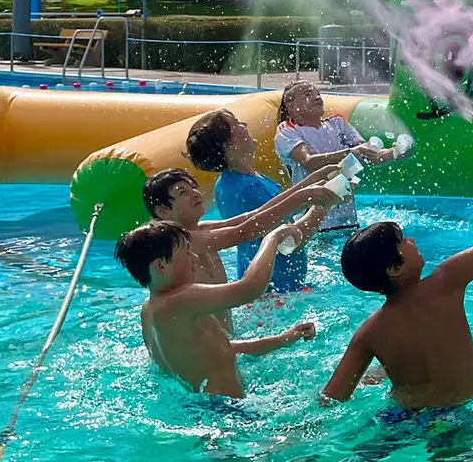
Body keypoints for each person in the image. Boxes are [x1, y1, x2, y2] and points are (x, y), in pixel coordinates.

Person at [320, 133, 473, 415]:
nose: (411, 240)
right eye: (402, 240)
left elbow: (331, 399)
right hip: (456, 417)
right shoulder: (446, 281)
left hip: (399, 419)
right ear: (395, 268)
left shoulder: (369, 333)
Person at [114, 219, 321, 398]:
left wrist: (283, 339)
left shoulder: (150, 310)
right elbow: (250, 288)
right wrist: (272, 239)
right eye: (187, 253)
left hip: (201, 408)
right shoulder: (181, 299)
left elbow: (218, 350)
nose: (195, 259)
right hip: (229, 411)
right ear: (160, 266)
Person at [141, 166, 337, 330]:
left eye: (194, 187)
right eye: (184, 192)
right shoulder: (183, 243)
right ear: (163, 211)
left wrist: (313, 182)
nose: (195, 194)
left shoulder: (201, 229)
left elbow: (256, 214)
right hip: (203, 355)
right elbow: (246, 231)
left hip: (224, 343)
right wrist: (304, 197)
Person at [187, 108, 327, 293]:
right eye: (236, 123)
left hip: (267, 285)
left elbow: (282, 205)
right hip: (278, 291)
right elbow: (291, 241)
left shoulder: (231, 181)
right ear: (229, 144)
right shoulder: (248, 188)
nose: (244, 124)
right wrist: (324, 204)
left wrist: (317, 179)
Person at [274, 81, 395, 228]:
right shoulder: (288, 130)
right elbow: (309, 162)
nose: (317, 97)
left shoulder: (338, 123)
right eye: (308, 95)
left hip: (348, 219)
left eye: (317, 93)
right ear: (292, 106)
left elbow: (368, 155)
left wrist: (394, 152)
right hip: (313, 225)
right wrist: (351, 152)